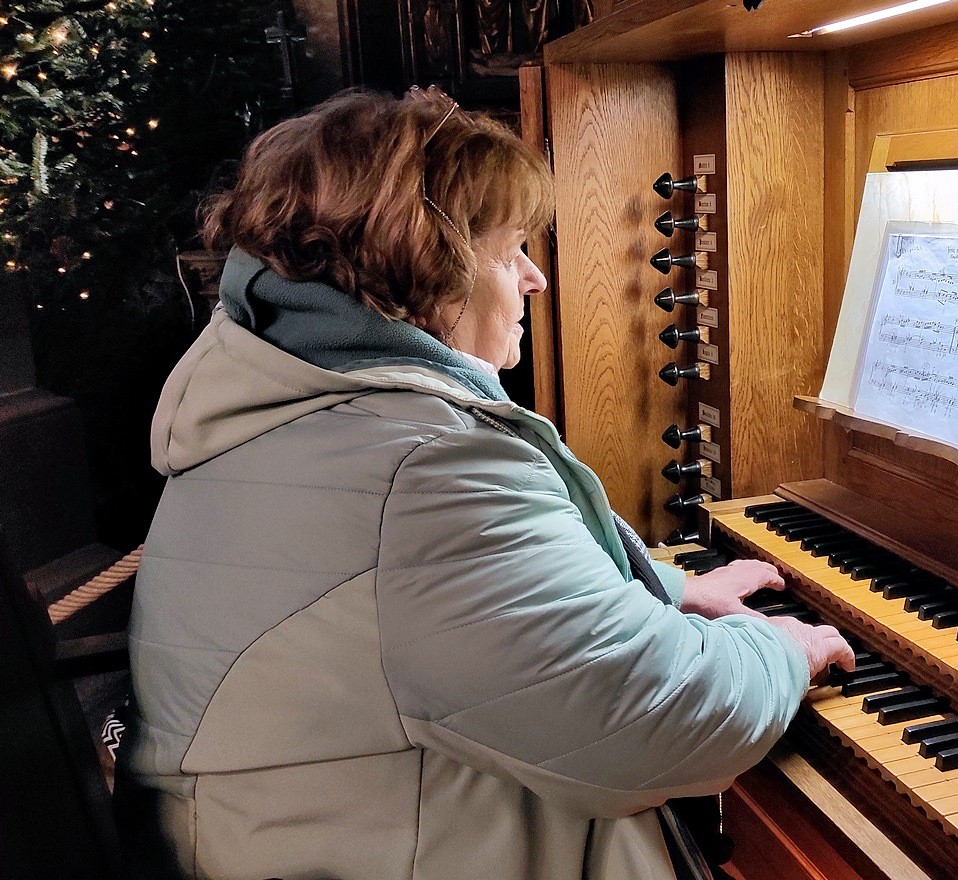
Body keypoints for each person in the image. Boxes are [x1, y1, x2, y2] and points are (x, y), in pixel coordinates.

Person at [124, 88, 854, 880]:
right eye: (510, 251)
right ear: (431, 267)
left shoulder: (282, 391)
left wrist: (661, 589)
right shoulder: (423, 470)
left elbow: (405, 607)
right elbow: (660, 723)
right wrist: (779, 647)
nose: (535, 280)